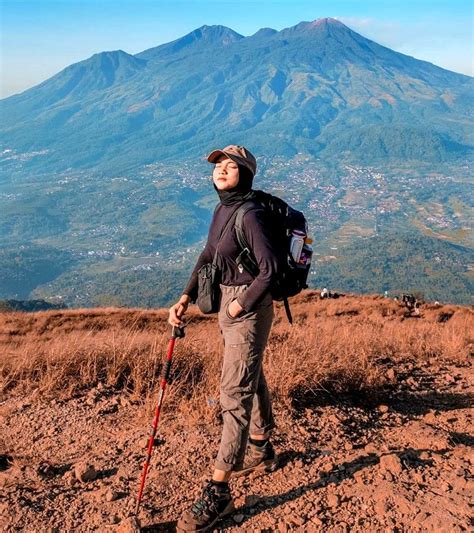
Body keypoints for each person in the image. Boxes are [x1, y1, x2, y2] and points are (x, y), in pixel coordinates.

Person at [168, 145, 279, 532]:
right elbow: (208, 254)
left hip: (246, 307)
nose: (221, 171)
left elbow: (270, 270)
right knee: (251, 373)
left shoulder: (249, 214)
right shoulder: (222, 210)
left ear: (246, 174)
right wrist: (184, 296)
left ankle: (219, 491)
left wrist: (238, 307)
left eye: (231, 167)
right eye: (218, 166)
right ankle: (262, 446)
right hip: (230, 304)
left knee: (234, 392)